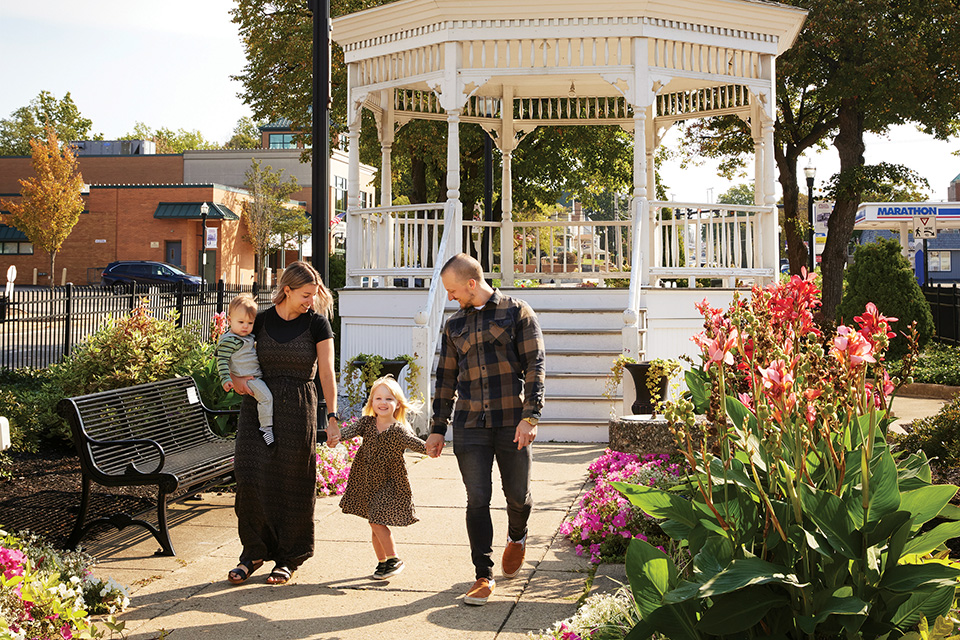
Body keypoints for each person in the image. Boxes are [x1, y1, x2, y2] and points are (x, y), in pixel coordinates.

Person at [425, 253, 545, 606]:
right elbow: (446, 379)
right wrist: (437, 428)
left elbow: (536, 366)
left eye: (453, 290)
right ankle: (483, 574)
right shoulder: (454, 325)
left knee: (517, 495)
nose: (450, 298)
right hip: (469, 424)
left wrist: (531, 417)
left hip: (511, 421)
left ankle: (517, 536)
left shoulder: (517, 312)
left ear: (471, 284)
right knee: (476, 498)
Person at [226, 261, 340, 586]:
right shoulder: (258, 321)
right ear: (286, 290)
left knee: (293, 482)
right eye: (305, 295)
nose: (311, 301)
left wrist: (331, 416)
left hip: (297, 408)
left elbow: (328, 372)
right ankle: (253, 553)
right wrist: (237, 381)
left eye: (314, 295)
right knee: (249, 477)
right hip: (258, 406)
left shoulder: (317, 324)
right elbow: (232, 355)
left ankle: (289, 558)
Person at [334, 375, 427, 580]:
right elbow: (346, 432)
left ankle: (394, 559)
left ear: (397, 404)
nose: (383, 403)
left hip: (389, 482)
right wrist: (335, 436)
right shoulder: (367, 423)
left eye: (389, 399)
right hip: (366, 480)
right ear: (372, 402)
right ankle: (383, 562)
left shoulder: (399, 430)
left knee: (377, 520)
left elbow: (418, 445)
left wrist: (433, 447)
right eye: (378, 398)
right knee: (373, 522)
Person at [215, 294, 274, 445]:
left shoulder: (245, 336)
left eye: (249, 322)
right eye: (240, 322)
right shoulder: (231, 340)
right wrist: (226, 379)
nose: (245, 326)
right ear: (229, 321)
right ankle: (266, 428)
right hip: (249, 379)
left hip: (252, 376)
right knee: (266, 398)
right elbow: (221, 360)